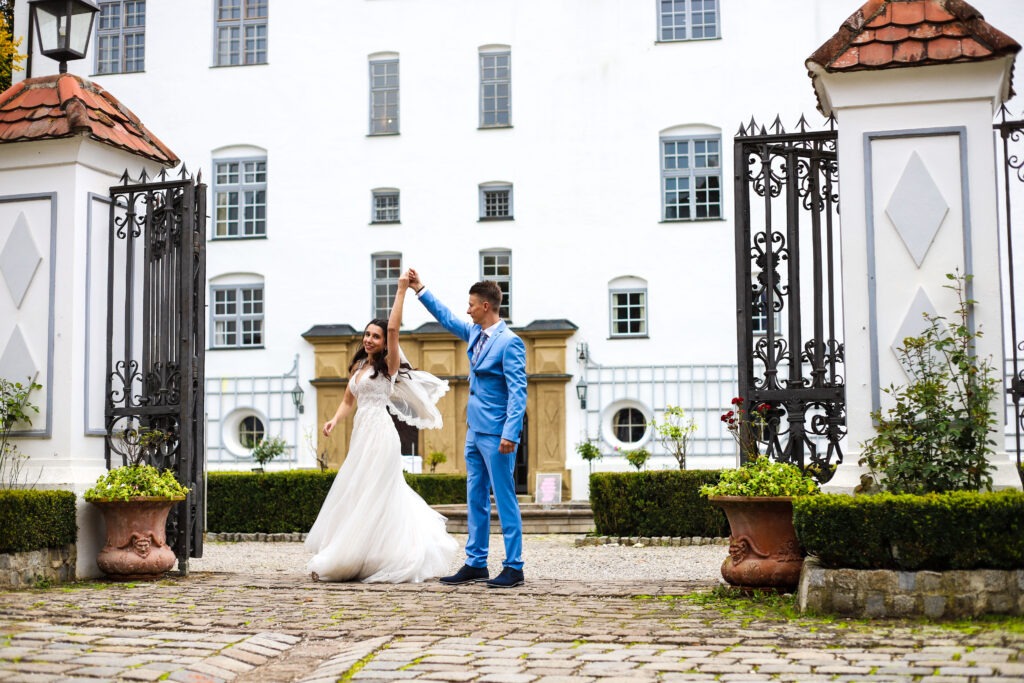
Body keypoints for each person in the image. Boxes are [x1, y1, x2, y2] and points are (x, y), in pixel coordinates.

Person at [305, 273, 458, 583]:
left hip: (382, 436)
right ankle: (363, 551)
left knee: (377, 490)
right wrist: (334, 420)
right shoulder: (359, 367)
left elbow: (393, 328)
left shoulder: (388, 368)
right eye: (367, 335)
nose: (369, 339)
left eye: (375, 336)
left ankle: (381, 554)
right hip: (361, 435)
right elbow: (349, 400)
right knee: (358, 491)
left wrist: (401, 289)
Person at [407, 268, 527, 588]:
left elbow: (518, 392)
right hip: (474, 430)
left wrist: (510, 434)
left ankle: (514, 566)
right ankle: (476, 562)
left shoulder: (510, 343)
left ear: (486, 306)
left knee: (505, 499)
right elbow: (446, 317)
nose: (467, 309)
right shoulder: (474, 333)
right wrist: (420, 290)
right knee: (475, 498)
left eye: (471, 304)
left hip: (497, 434)